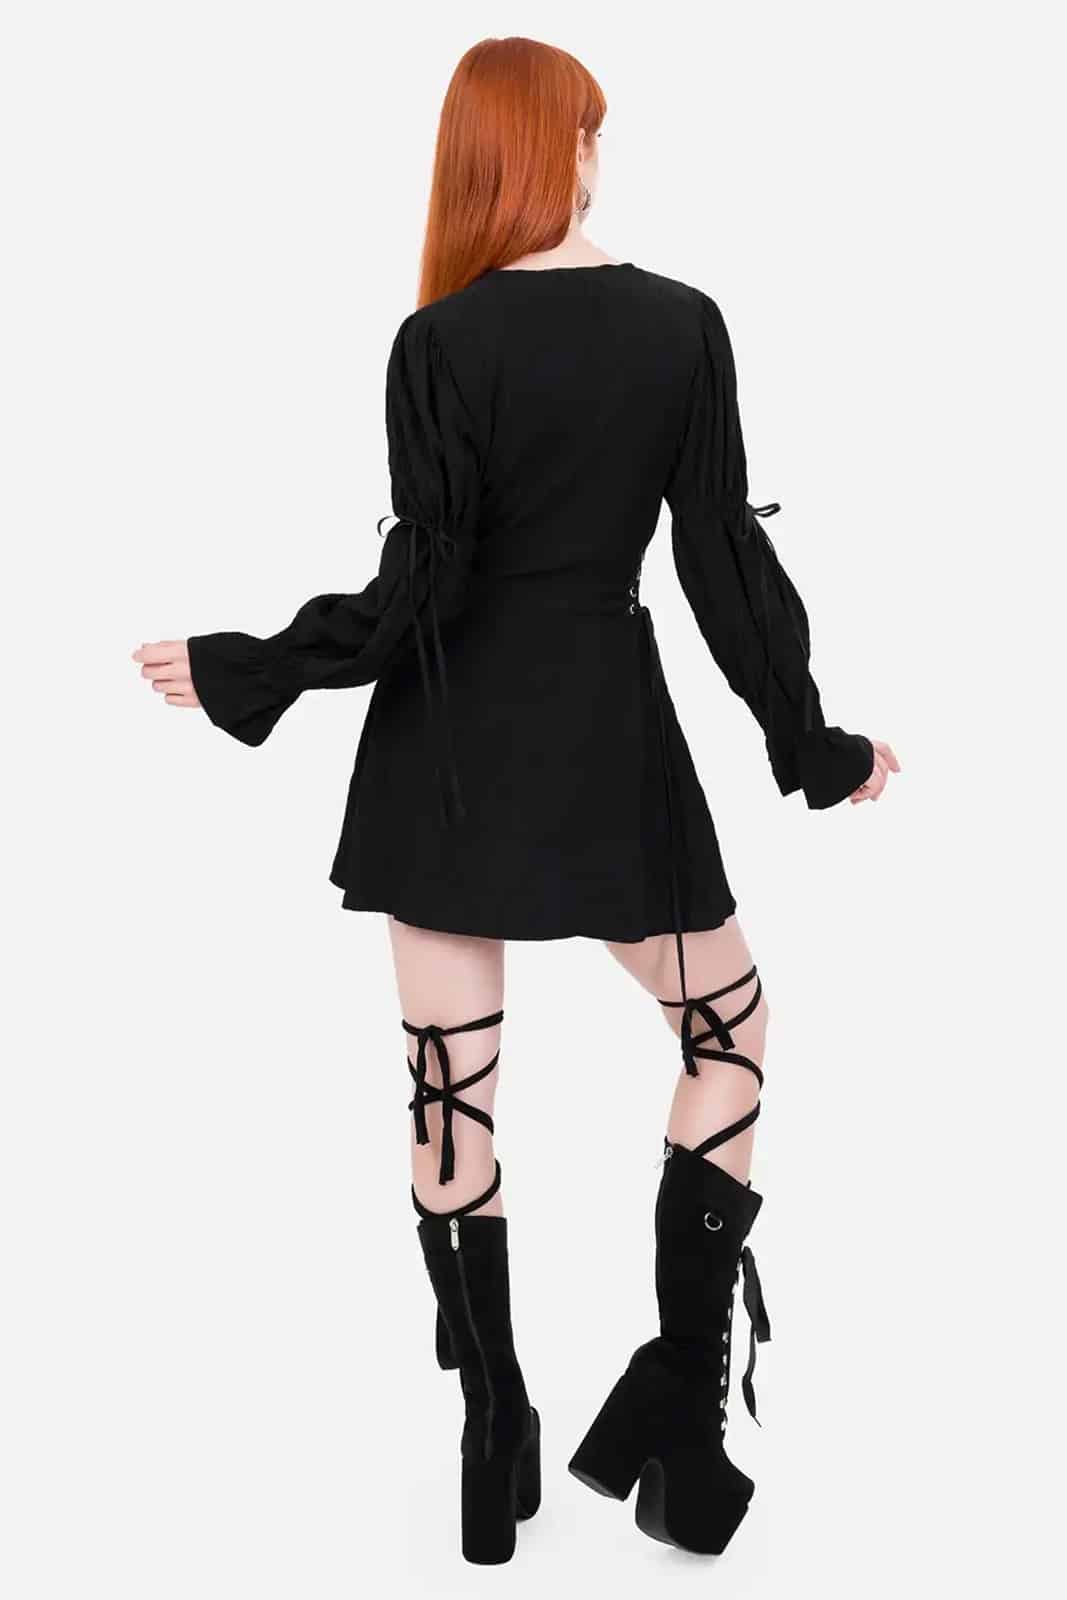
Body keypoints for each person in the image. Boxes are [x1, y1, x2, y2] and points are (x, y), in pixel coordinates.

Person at [132, 35, 899, 1567]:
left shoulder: (438, 342)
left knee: (450, 1092)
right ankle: (681, 1406)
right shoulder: (680, 327)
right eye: (594, 132)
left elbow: (418, 588)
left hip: (447, 754)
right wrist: (809, 742)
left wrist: (252, 668)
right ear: (570, 148)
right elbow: (720, 563)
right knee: (730, 1033)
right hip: (608, 742)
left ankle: (495, 1434)